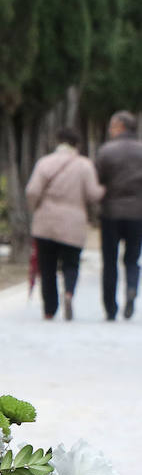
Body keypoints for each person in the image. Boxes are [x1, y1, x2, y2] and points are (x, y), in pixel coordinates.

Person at [26, 128, 103, 321]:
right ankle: (68, 292)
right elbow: (94, 194)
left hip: (46, 221)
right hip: (73, 222)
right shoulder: (84, 165)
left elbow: (32, 191)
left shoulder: (45, 163)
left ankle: (49, 310)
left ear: (58, 142)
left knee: (47, 266)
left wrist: (36, 208)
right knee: (71, 263)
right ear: (77, 144)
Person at [94, 110, 142, 319]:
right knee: (132, 258)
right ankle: (131, 287)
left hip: (111, 212)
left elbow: (97, 180)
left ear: (121, 127)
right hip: (137, 214)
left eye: (112, 126)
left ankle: (110, 308)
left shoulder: (106, 151)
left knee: (110, 261)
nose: (110, 130)